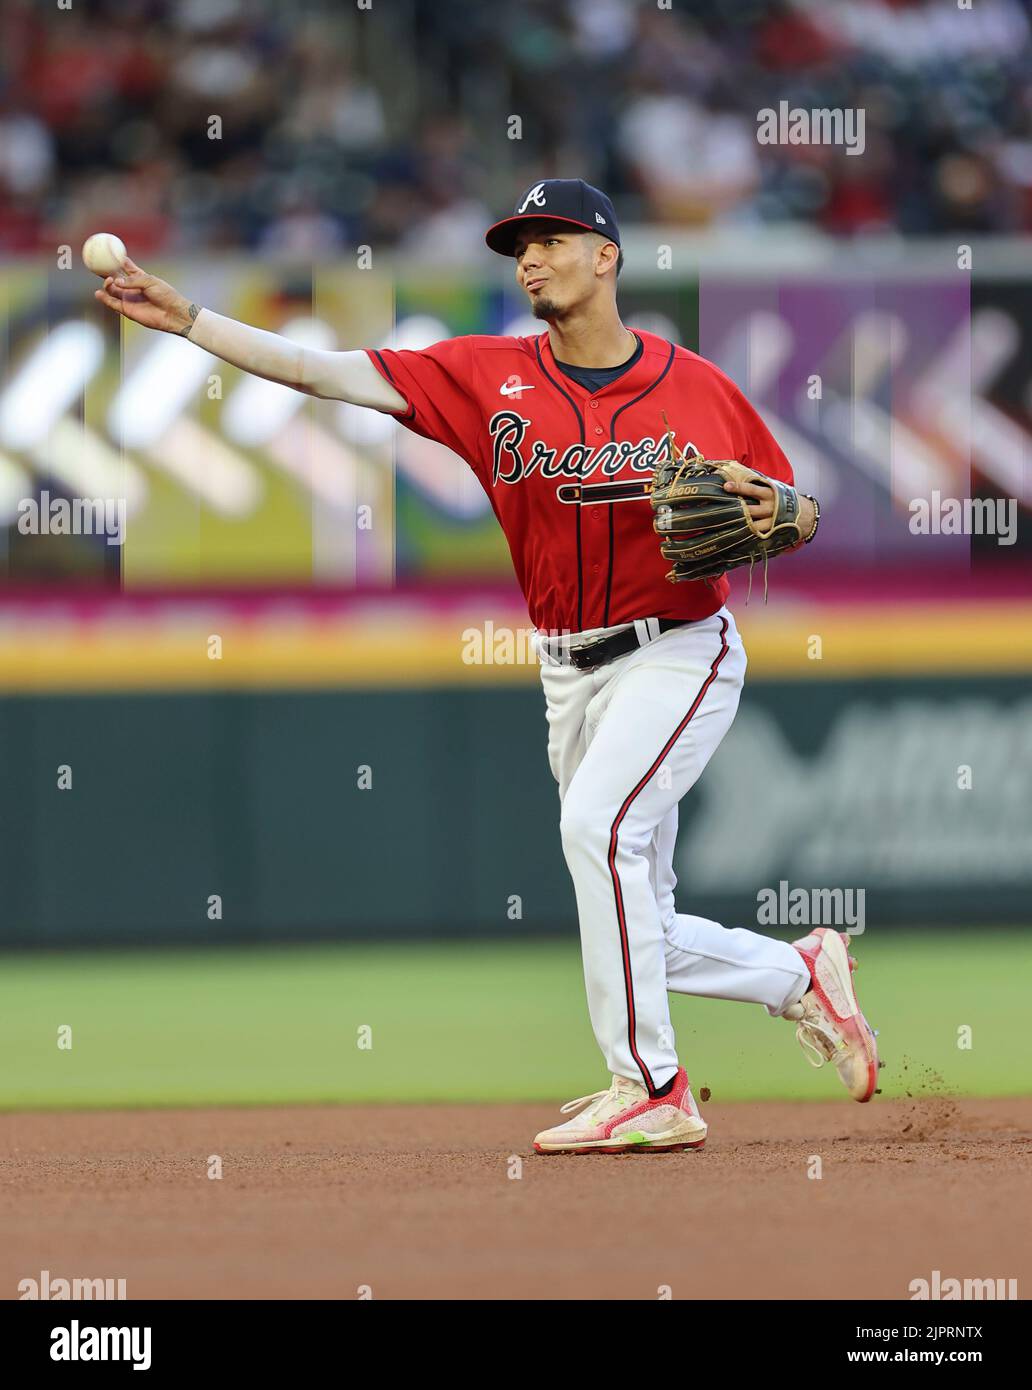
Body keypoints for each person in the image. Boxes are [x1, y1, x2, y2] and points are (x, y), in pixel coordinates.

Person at [95, 177, 879, 1155]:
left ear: (608, 257)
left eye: (553, 239)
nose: (532, 258)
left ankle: (654, 1088)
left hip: (679, 649)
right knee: (640, 912)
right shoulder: (481, 375)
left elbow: (797, 508)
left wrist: (787, 518)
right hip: (567, 669)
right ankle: (802, 974)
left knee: (597, 829)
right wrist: (192, 321)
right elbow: (321, 369)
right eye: (521, 246)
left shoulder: (699, 387)